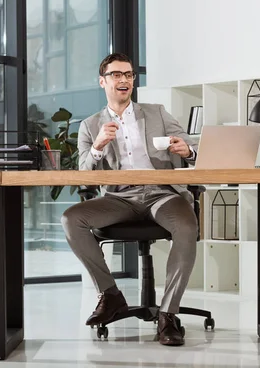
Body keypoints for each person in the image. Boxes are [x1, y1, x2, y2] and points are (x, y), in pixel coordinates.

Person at [61, 52, 198, 347]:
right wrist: (97, 146)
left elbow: (190, 144)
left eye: (129, 75)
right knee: (71, 219)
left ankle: (168, 316)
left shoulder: (157, 112)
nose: (123, 80)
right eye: (116, 75)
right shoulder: (90, 125)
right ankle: (110, 295)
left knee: (187, 226)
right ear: (103, 82)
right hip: (119, 198)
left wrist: (186, 150)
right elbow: (83, 172)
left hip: (162, 193)